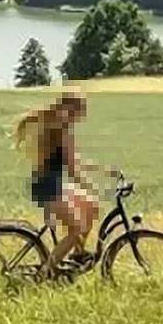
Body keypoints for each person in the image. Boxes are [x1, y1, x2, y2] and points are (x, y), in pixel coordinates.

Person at [14, 90, 107, 278]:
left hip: (53, 184)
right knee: (76, 231)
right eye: (79, 112)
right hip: (48, 188)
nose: (80, 116)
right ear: (69, 111)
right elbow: (72, 169)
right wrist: (93, 186)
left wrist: (104, 170)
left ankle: (78, 255)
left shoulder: (60, 128)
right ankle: (46, 274)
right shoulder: (60, 131)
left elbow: (73, 159)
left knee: (91, 206)